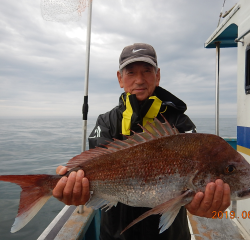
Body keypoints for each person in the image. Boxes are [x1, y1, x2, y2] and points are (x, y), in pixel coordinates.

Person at [53, 43, 231, 240]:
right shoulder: (106, 122)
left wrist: (203, 206)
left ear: (158, 75)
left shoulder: (180, 122)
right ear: (120, 78)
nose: (139, 80)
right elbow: (95, 167)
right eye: (130, 73)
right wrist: (76, 189)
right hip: (115, 235)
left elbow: (194, 191)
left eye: (147, 71)